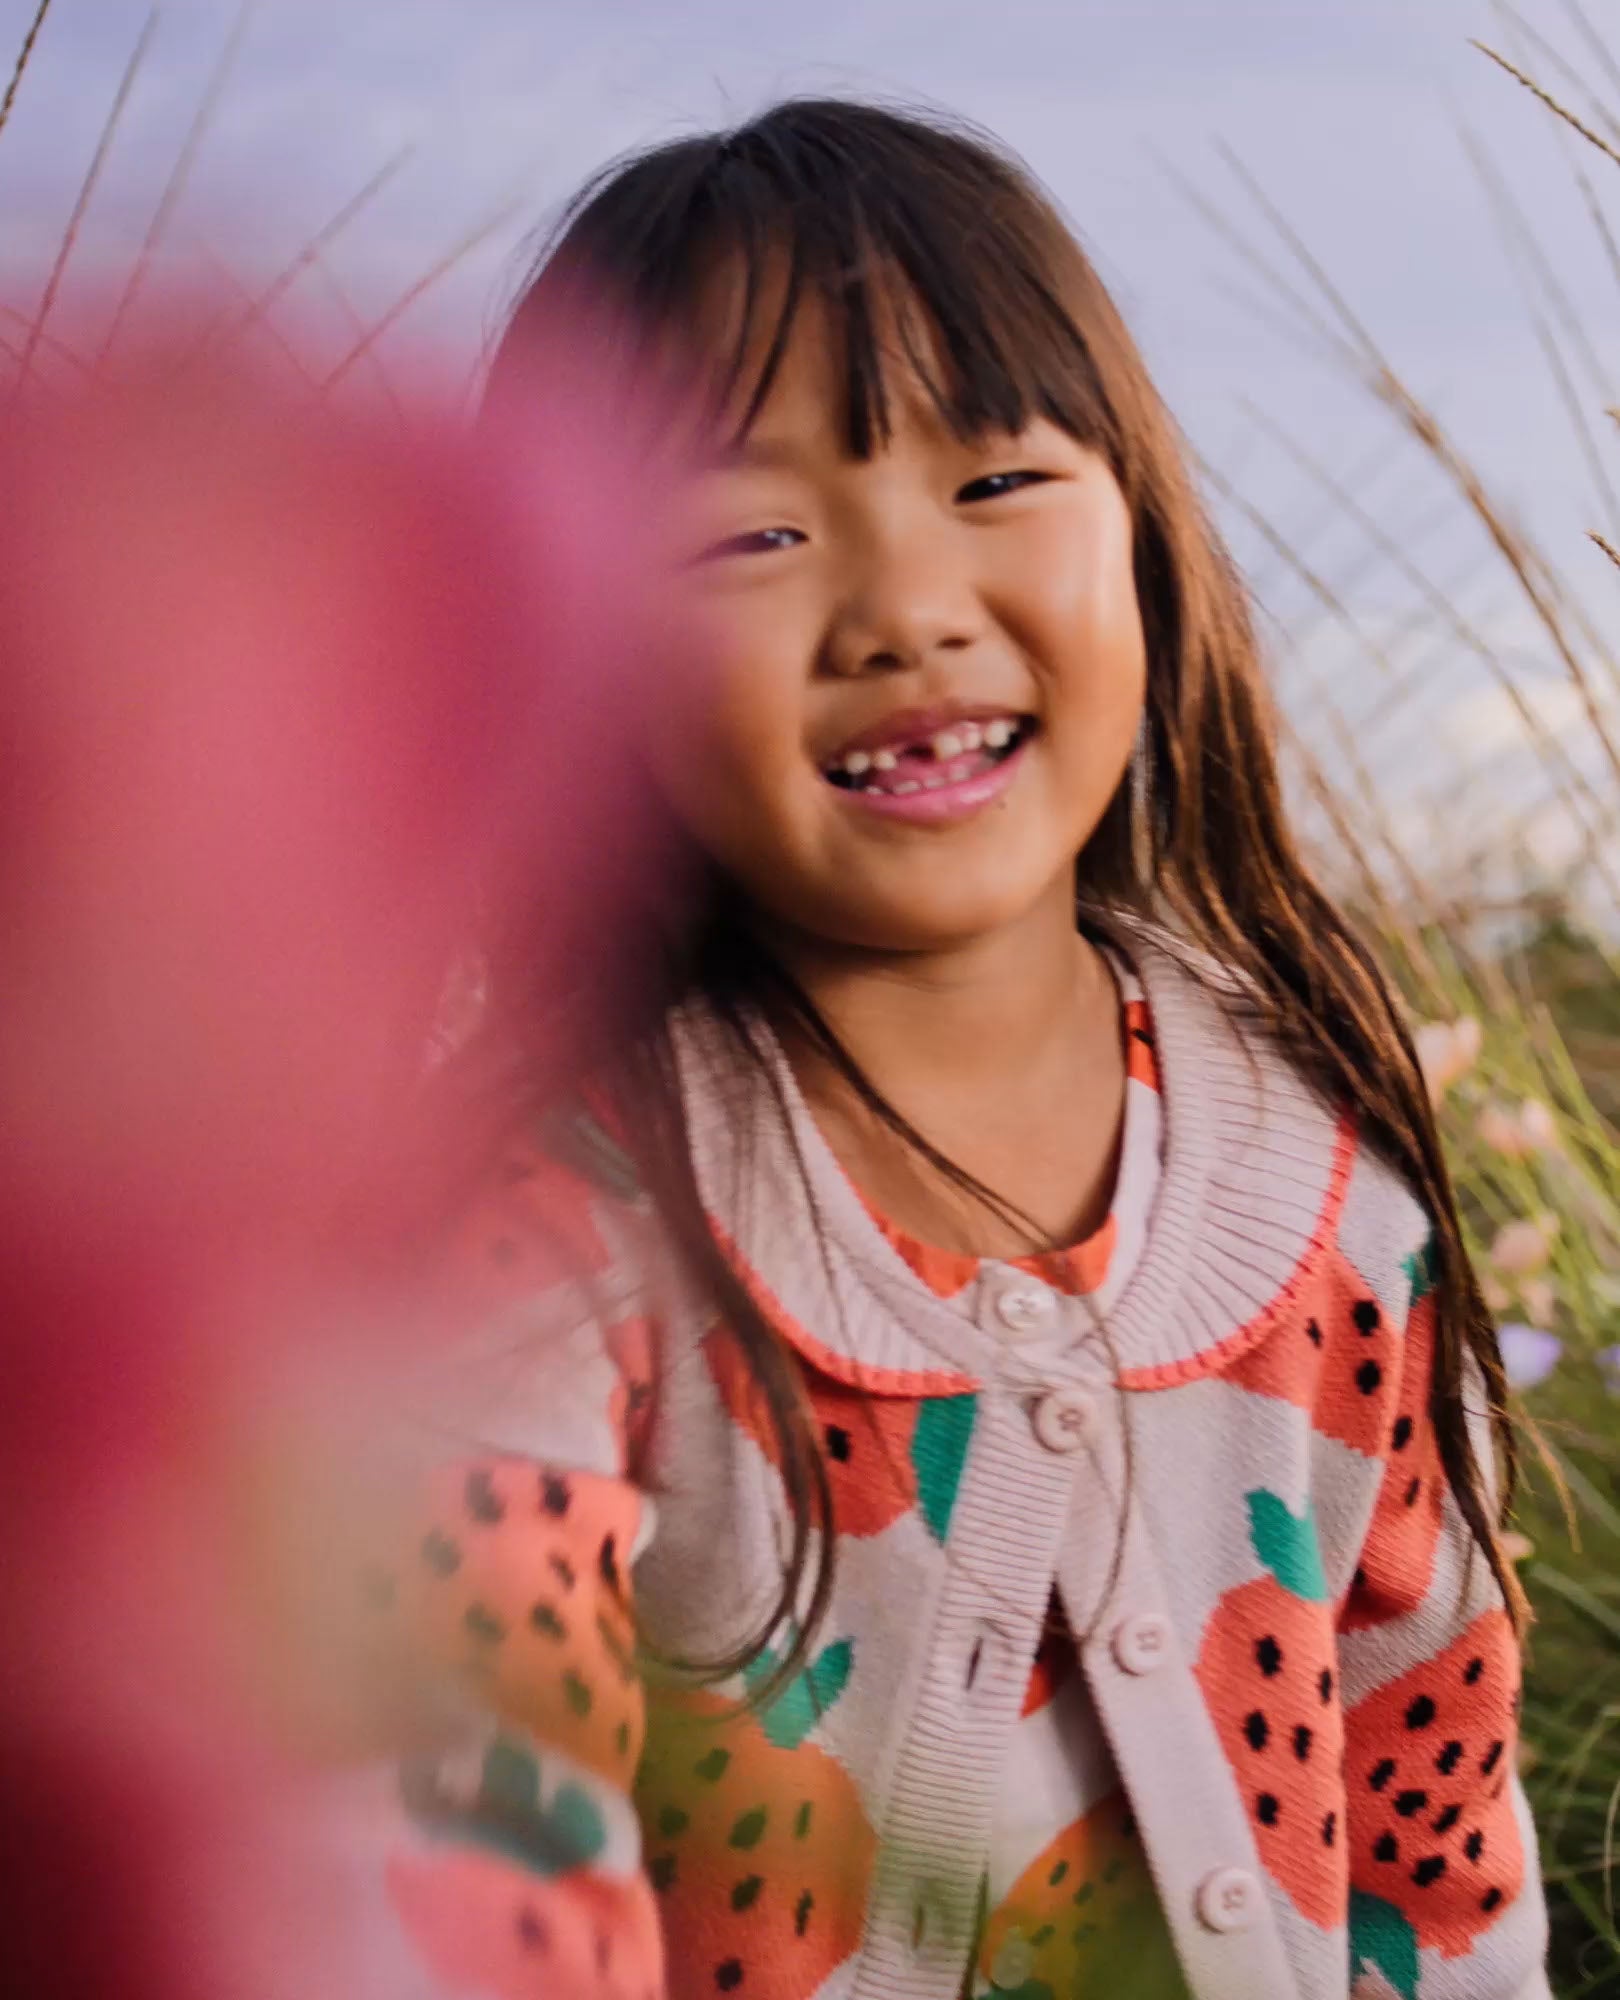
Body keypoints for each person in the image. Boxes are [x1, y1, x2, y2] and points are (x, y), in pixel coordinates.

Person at [363, 99, 1551, 2000]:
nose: (907, 611)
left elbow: (1440, 1840)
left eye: (996, 486)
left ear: (1147, 544)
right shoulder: (545, 1256)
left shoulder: (1332, 1209)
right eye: (749, 530)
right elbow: (454, 1872)